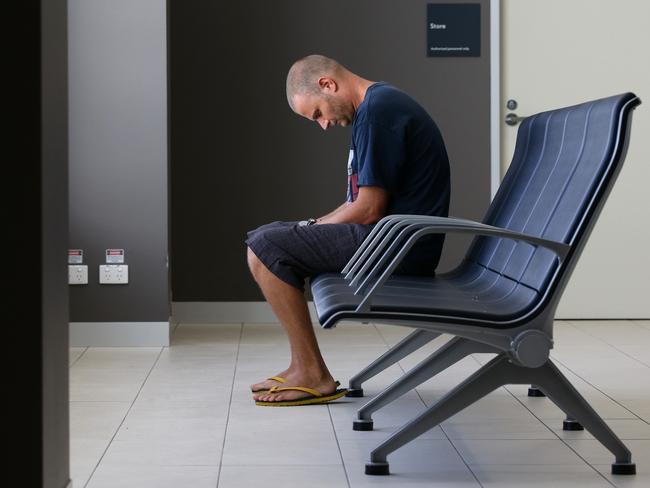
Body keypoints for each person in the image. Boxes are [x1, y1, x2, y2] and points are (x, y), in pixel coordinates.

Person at [245, 54, 450, 406]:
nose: (323, 124)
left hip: (398, 246)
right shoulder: (373, 109)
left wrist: (307, 231)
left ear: (327, 84)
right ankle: (302, 366)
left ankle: (312, 373)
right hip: (390, 238)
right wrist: (309, 227)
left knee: (266, 247)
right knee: (268, 235)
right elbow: (356, 204)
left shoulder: (378, 112)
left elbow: (368, 209)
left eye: (318, 114)